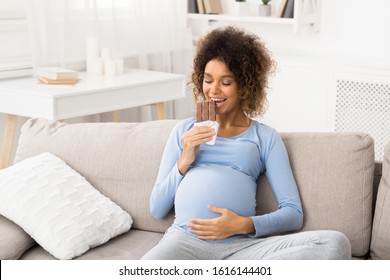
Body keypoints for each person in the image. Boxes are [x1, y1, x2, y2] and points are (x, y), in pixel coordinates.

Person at [141, 26, 351, 260]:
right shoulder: (183, 131)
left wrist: (244, 225)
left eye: (226, 82)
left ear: (245, 86)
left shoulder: (265, 137)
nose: (213, 90)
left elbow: (293, 214)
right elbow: (157, 209)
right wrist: (185, 160)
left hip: (240, 249)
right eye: (208, 80)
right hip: (184, 243)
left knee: (333, 242)